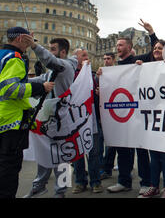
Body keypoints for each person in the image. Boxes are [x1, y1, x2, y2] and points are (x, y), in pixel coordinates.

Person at [0, 27, 54, 198]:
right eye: (29, 40)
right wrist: (40, 87)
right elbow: (10, 89)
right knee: (9, 167)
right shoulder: (14, 58)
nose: (30, 44)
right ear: (20, 38)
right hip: (11, 120)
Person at [23, 37, 78, 198]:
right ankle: (39, 185)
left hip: (63, 121)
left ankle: (60, 192)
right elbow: (36, 81)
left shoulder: (66, 66)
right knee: (43, 152)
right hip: (47, 119)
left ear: (63, 51)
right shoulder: (51, 73)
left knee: (62, 157)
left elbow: (50, 60)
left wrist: (33, 45)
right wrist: (15, 81)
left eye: (53, 49)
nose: (50, 52)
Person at [105, 37, 151, 195]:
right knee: (123, 148)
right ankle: (124, 181)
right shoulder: (114, 67)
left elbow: (156, 54)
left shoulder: (138, 60)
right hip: (123, 114)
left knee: (142, 150)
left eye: (121, 45)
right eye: (116, 45)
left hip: (138, 114)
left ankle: (146, 183)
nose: (117, 47)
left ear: (129, 47)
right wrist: (101, 78)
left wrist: (151, 33)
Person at [137, 39, 165, 198]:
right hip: (151, 117)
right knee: (154, 156)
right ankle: (154, 186)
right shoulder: (146, 68)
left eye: (160, 48)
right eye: (155, 48)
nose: (156, 50)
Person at [70, 48, 104, 194]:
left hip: (92, 118)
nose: (87, 58)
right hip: (75, 120)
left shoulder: (92, 75)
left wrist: (99, 91)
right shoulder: (69, 76)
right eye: (83, 56)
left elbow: (98, 94)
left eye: (87, 55)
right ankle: (80, 181)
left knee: (94, 152)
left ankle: (95, 182)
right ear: (75, 59)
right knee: (77, 153)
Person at [100, 52, 117, 180]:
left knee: (111, 146)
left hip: (116, 113)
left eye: (108, 58)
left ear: (114, 60)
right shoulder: (100, 75)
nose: (106, 61)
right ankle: (105, 168)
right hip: (104, 114)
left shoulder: (119, 72)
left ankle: (107, 168)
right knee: (104, 146)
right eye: (104, 59)